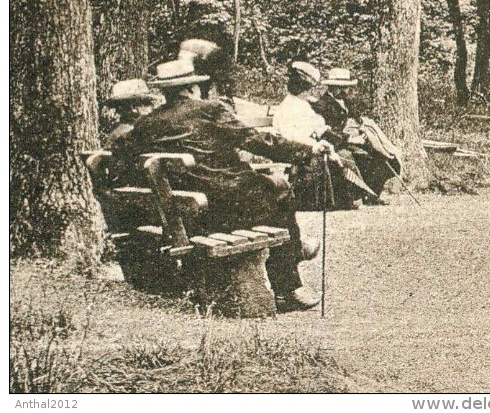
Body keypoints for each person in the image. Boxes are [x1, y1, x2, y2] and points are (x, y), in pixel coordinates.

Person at [112, 55, 323, 312]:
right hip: (228, 206)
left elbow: (121, 154)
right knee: (279, 188)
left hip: (187, 213)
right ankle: (288, 284)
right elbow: (255, 141)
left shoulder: (148, 123)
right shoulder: (210, 109)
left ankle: (295, 247)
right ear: (191, 88)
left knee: (271, 190)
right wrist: (306, 151)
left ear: (165, 92)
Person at [273, 62, 374, 210]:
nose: (312, 92)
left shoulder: (302, 104)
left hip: (304, 143)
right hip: (293, 145)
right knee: (334, 157)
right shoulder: (292, 107)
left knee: (338, 156)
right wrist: (319, 143)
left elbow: (318, 127)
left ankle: (345, 199)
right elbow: (295, 135)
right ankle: (326, 201)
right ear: (301, 89)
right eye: (309, 89)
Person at [315, 67, 396, 203]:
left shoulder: (347, 102)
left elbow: (358, 119)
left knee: (382, 156)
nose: (343, 91)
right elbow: (325, 131)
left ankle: (372, 195)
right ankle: (356, 195)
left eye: (346, 87)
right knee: (362, 158)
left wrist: (363, 131)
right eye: (338, 87)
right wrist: (350, 138)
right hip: (334, 143)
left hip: (351, 140)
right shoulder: (321, 105)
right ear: (330, 87)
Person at [103, 79, 156, 148]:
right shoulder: (119, 133)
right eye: (125, 106)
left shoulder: (150, 125)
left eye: (146, 103)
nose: (134, 110)